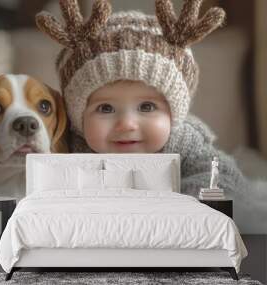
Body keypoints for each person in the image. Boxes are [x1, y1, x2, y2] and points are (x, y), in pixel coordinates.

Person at [36, 0, 266, 232]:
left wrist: (188, 206)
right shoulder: (70, 147)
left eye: (146, 107)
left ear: (173, 113)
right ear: (78, 117)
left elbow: (221, 176)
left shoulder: (182, 142)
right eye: (105, 108)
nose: (126, 124)